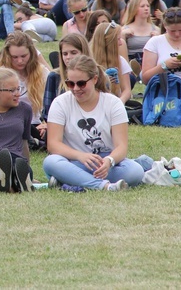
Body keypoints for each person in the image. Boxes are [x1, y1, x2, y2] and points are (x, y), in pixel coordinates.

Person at [43, 55, 145, 191]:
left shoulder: (113, 103)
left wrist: (109, 161)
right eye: (70, 83)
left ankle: (69, 179)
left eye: (81, 83)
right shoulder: (60, 103)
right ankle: (104, 186)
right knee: (51, 162)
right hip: (74, 161)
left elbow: (121, 146)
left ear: (95, 79)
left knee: (135, 171)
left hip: (105, 163)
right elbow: (53, 145)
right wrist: (80, 156)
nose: (75, 88)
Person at [0, 31, 49, 127]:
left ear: (32, 53)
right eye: (14, 57)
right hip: (7, 123)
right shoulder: (0, 74)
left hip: (36, 123)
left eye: (24, 56)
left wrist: (46, 124)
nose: (20, 61)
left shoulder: (42, 72)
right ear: (7, 55)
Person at [42, 33, 91, 126]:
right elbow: (48, 112)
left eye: (73, 52)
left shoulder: (97, 75)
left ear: (84, 52)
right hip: (61, 126)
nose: (68, 57)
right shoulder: (54, 76)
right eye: (65, 54)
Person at [90, 22, 132, 103]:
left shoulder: (120, 61)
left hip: (115, 102)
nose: (120, 43)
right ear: (109, 41)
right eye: (118, 39)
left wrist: (120, 102)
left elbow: (127, 90)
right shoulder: (89, 62)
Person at [121, 0, 160, 64]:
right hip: (132, 64)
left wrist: (157, 39)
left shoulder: (156, 30)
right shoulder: (124, 29)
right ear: (134, 9)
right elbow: (121, 54)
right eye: (142, 6)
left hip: (150, 63)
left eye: (148, 6)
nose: (146, 8)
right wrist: (122, 36)